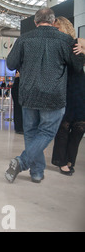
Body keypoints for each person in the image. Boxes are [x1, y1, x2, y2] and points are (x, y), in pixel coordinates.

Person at [5, 7, 84, 184]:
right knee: (47, 132)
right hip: (54, 96)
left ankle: (36, 171)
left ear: (35, 22)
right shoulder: (65, 40)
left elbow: (11, 64)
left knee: (31, 134)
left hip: (28, 94)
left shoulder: (24, 39)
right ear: (53, 21)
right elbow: (77, 66)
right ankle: (28, 166)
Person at [51, 16, 85, 176]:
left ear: (65, 27)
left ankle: (70, 158)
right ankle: (61, 161)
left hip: (79, 87)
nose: (55, 31)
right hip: (62, 87)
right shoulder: (54, 45)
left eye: (57, 28)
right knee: (64, 126)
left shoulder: (79, 41)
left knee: (80, 126)